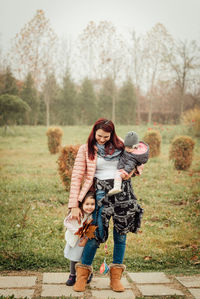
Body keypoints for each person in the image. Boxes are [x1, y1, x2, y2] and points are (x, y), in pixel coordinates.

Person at [67, 118, 144, 293]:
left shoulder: (121, 145)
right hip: (100, 195)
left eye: (106, 136)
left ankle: (115, 278)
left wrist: (131, 171)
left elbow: (139, 162)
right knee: (94, 234)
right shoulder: (86, 149)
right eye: (100, 136)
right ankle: (82, 276)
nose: (102, 139)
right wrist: (74, 204)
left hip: (123, 194)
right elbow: (77, 176)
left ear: (112, 134)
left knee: (121, 236)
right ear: (94, 132)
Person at [64, 191, 95, 286]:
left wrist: (86, 236)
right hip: (75, 240)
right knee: (74, 258)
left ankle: (88, 273)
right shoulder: (77, 213)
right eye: (87, 204)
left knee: (86, 257)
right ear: (82, 204)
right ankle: (72, 275)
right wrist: (77, 232)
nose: (89, 207)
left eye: (92, 204)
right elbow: (66, 222)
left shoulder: (92, 215)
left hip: (86, 240)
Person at [108, 131, 149, 196]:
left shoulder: (133, 157)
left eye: (129, 148)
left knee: (118, 175)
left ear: (135, 147)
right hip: (122, 166)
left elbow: (130, 165)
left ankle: (117, 187)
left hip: (124, 170)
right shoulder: (129, 151)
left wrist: (125, 172)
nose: (127, 149)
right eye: (126, 147)